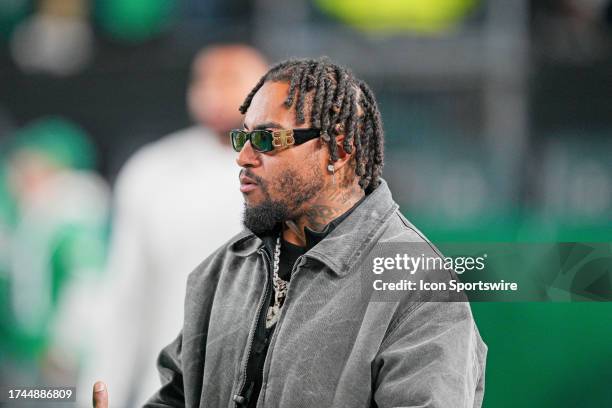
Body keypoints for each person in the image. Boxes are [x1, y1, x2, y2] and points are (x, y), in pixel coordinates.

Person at [92, 57, 487, 408]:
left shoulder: (417, 284)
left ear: (340, 150)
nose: (244, 157)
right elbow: (176, 397)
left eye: (266, 139)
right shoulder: (223, 270)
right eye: (243, 137)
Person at [82, 45, 268, 407]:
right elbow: (124, 301)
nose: (214, 88)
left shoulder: (300, 176)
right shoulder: (153, 170)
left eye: (231, 77)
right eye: (204, 78)